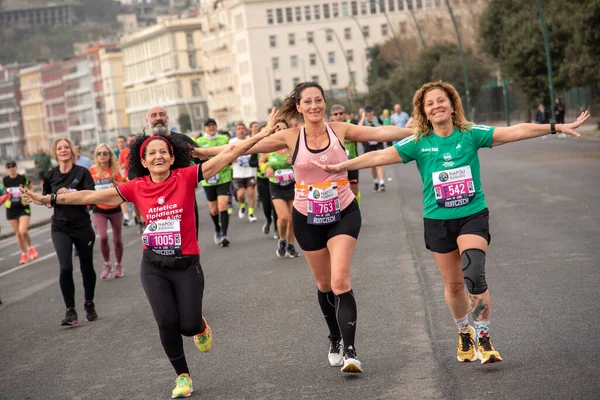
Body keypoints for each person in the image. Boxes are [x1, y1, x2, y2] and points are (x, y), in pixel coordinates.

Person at [311, 81, 590, 365]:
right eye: (430, 104)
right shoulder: (419, 142)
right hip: (438, 220)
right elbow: (380, 155)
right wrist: (341, 166)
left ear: (452, 105)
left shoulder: (470, 134)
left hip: (472, 215)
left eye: (441, 100)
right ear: (424, 112)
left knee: (474, 272)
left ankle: (484, 337)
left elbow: (514, 131)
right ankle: (464, 332)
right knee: (454, 284)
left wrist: (555, 127)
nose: (436, 106)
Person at [22, 111, 279, 398]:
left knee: (189, 325)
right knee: (166, 321)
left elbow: (231, 152)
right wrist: (51, 198)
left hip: (186, 264)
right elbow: (90, 196)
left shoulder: (186, 176)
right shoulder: (136, 187)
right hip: (154, 266)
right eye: (151, 153)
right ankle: (183, 377)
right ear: (142, 162)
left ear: (172, 157)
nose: (158, 156)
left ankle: (200, 326)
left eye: (163, 152)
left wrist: (264, 132)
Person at [194, 82, 413, 373]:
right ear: (298, 107)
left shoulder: (341, 129)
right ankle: (334, 337)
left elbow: (382, 133)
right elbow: (242, 147)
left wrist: (419, 130)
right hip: (307, 217)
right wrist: (201, 152)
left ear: (324, 102)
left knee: (340, 282)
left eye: (318, 100)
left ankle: (350, 351)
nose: (314, 106)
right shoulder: (290, 136)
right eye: (307, 101)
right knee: (324, 285)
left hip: (343, 211)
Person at [41, 137, 98, 326]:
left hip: (81, 225)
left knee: (86, 267)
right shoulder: (50, 175)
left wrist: (72, 192)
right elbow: (47, 199)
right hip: (60, 226)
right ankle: (70, 310)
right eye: (60, 148)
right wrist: (47, 200)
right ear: (55, 152)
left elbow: (91, 196)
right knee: (65, 267)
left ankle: (89, 303)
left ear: (72, 151)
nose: (63, 150)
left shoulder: (82, 173)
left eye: (66, 147)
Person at [259, 120, 300, 258]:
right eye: (277, 129)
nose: (280, 131)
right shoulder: (269, 147)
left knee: (294, 218)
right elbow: (261, 161)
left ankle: (291, 245)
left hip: (293, 185)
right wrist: (266, 168)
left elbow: (305, 161)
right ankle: (282, 240)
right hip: (276, 186)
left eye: (283, 128)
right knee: (283, 217)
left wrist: (295, 161)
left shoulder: (293, 146)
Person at [89, 144, 125, 279]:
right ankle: (107, 264)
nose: (102, 156)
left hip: (115, 208)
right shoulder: (91, 171)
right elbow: (86, 188)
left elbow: (125, 187)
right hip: (99, 209)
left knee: (117, 240)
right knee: (103, 237)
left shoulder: (115, 170)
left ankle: (118, 264)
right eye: (99, 153)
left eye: (105, 153)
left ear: (110, 155)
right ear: (96, 156)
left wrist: (114, 182)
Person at [195, 118, 233, 247]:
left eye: (213, 125)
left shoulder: (223, 139)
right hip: (208, 179)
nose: (211, 128)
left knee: (223, 205)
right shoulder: (198, 142)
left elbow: (232, 152)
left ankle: (224, 234)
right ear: (204, 128)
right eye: (208, 126)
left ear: (216, 127)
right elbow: (195, 159)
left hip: (224, 176)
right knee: (214, 209)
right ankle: (217, 228)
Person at [1, 161, 38, 264]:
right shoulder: (4, 181)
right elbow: (2, 192)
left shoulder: (22, 178)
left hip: (23, 208)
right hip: (11, 209)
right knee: (18, 234)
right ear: (6, 169)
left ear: (16, 167)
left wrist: (29, 196)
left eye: (13, 166)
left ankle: (30, 248)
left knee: (23, 231)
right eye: (9, 167)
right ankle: (24, 254)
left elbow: (31, 187)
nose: (11, 168)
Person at [252, 124, 279, 239]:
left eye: (268, 133)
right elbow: (251, 163)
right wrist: (263, 166)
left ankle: (277, 229)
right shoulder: (257, 147)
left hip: (275, 180)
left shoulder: (277, 145)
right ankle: (268, 220)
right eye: (264, 133)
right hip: (262, 179)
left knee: (276, 205)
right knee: (266, 205)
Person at [329, 105, 360, 203]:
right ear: (332, 116)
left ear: (345, 115)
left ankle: (358, 213)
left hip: (352, 161)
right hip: (337, 164)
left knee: (354, 190)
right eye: (335, 114)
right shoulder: (328, 128)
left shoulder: (351, 125)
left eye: (341, 113)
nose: (338, 116)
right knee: (340, 191)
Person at [230, 123, 258, 222]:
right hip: (238, 173)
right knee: (240, 195)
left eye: (243, 128)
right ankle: (243, 204)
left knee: (251, 193)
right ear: (235, 131)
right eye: (238, 129)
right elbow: (227, 156)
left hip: (250, 172)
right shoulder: (231, 142)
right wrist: (232, 159)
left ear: (246, 130)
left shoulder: (250, 139)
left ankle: (251, 213)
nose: (241, 130)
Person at [360, 105, 387, 192]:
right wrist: (363, 117)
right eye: (367, 112)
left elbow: (384, 127)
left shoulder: (377, 119)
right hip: (368, 145)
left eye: (370, 111)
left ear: (372, 112)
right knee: (372, 166)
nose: (369, 113)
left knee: (380, 163)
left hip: (378, 143)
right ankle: (376, 182)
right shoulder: (363, 121)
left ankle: (382, 183)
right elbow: (358, 127)